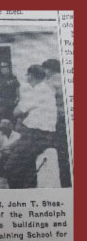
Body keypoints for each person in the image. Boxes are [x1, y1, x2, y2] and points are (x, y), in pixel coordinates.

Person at [4, 65, 57, 188]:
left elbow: (16, 112)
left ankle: (18, 197)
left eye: (27, 75)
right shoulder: (45, 89)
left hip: (35, 135)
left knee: (11, 168)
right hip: (37, 134)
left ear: (31, 76)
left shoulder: (38, 90)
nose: (26, 77)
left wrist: (19, 106)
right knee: (27, 170)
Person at [42, 59, 72, 188]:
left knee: (62, 154)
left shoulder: (50, 83)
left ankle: (66, 184)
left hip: (59, 121)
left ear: (49, 69)